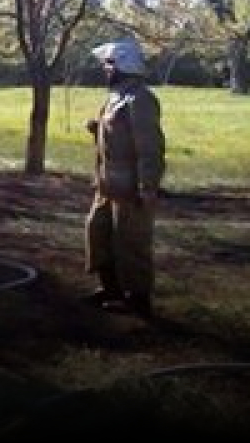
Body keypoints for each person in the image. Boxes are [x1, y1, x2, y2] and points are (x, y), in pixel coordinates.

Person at [82, 38, 166, 319]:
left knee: (131, 242)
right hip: (107, 184)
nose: (105, 68)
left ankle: (137, 299)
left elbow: (149, 146)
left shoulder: (140, 99)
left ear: (123, 65)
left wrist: (147, 186)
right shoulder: (116, 96)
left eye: (109, 63)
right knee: (98, 233)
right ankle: (112, 290)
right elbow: (118, 133)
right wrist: (98, 129)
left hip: (130, 187)